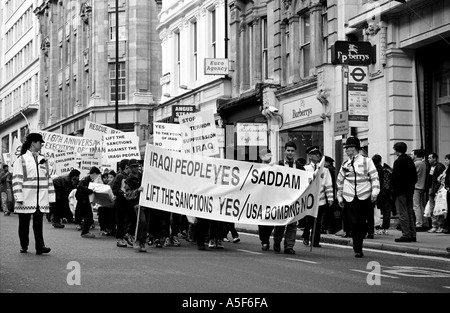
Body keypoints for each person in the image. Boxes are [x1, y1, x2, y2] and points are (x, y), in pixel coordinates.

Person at [12, 133, 55, 254]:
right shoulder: (21, 160)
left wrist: (51, 197)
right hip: (25, 198)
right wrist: (18, 196)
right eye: (39, 143)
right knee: (24, 225)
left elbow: (48, 179)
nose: (41, 145)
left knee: (38, 224)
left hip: (40, 199)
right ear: (33, 143)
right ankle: (24, 245)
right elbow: (16, 180)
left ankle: (40, 247)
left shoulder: (43, 160)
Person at [336, 136, 379, 258]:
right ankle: (358, 248)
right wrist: (339, 197)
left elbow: (374, 177)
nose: (346, 150)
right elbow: (339, 182)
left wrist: (375, 192)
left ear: (353, 148)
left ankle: (359, 243)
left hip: (364, 195)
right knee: (354, 222)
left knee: (362, 221)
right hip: (350, 197)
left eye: (347, 148)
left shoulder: (367, 161)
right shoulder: (346, 163)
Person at [274, 141, 305, 255]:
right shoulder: (278, 165)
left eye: (292, 151)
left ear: (295, 152)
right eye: (288, 150)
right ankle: (277, 241)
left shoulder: (300, 167)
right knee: (280, 223)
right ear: (285, 151)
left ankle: (289, 246)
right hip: (281, 199)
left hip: (294, 200)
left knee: (292, 224)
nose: (290, 153)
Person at [302, 146, 333, 248]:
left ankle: (315, 241)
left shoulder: (325, 170)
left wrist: (330, 198)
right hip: (309, 199)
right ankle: (306, 235)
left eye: (318, 155)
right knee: (309, 219)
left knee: (318, 220)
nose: (317, 156)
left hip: (321, 200)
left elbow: (328, 185)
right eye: (315, 155)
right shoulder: (305, 169)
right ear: (310, 156)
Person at [392, 142, 418, 242]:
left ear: (396, 150)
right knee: (410, 212)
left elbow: (395, 178)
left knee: (402, 213)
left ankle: (406, 234)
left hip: (400, 191)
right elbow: (414, 176)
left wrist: (394, 190)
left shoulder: (398, 162)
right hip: (410, 190)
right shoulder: (409, 160)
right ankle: (413, 234)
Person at [76, 166, 102, 238]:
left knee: (88, 216)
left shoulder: (87, 179)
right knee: (88, 216)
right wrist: (90, 190)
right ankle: (85, 232)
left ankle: (85, 231)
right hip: (83, 200)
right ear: (94, 174)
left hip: (83, 199)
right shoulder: (86, 179)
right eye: (97, 175)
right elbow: (83, 188)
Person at [257, 148, 274, 251]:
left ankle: (266, 238)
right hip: (260, 198)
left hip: (272, 198)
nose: (269, 157)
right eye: (266, 155)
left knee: (271, 220)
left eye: (270, 155)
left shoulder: (274, 168)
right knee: (262, 221)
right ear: (261, 156)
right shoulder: (257, 168)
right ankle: (264, 240)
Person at [372, 154, 393, 234]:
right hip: (385, 192)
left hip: (376, 191)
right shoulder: (386, 170)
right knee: (386, 211)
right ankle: (385, 228)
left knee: (375, 210)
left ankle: (376, 227)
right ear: (380, 161)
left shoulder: (372, 171)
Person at [112, 159, 130, 247]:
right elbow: (114, 189)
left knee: (130, 219)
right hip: (121, 201)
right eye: (127, 167)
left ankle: (127, 235)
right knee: (121, 221)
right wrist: (121, 193)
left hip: (130, 201)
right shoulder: (119, 176)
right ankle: (120, 238)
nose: (129, 169)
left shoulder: (131, 176)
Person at [426, 153, 446, 233]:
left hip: (436, 189)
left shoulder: (439, 166)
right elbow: (431, 178)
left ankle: (440, 225)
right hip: (432, 188)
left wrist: (435, 189)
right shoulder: (432, 167)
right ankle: (435, 225)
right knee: (432, 208)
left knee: (438, 207)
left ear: (435, 158)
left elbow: (440, 179)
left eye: (430, 158)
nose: (428, 159)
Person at [411, 149, 428, 230]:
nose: (411, 156)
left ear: (416, 155)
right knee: (421, 205)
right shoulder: (423, 163)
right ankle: (424, 222)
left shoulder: (415, 163)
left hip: (416, 186)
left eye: (412, 154)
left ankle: (418, 223)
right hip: (422, 186)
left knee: (416, 206)